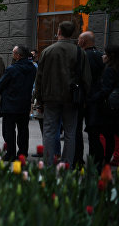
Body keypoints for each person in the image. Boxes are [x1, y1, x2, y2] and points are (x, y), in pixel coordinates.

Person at [34, 21, 91, 165]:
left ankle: (48, 164)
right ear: (73, 34)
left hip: (51, 97)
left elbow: (39, 78)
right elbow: (86, 78)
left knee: (49, 131)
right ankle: (67, 165)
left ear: (59, 31)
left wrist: (38, 100)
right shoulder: (79, 52)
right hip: (72, 98)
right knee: (70, 133)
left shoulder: (48, 51)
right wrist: (85, 98)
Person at [0, 45, 37, 161]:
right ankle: (22, 153)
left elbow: (0, 85)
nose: (12, 55)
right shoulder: (32, 68)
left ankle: (10, 153)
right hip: (24, 104)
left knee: (9, 131)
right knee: (23, 130)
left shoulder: (11, 69)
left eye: (13, 53)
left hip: (10, 105)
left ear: (18, 56)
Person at [89, 44, 118, 170]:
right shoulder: (115, 68)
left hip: (106, 108)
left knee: (99, 135)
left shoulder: (110, 70)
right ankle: (106, 160)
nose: (103, 56)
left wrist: (92, 99)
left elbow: (105, 90)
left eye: (105, 53)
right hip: (114, 108)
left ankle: (102, 161)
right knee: (110, 135)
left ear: (110, 56)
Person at [78, 31, 105, 168]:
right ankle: (97, 160)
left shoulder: (82, 56)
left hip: (84, 99)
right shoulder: (101, 57)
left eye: (79, 40)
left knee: (78, 131)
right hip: (99, 99)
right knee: (95, 133)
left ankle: (80, 159)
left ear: (83, 42)